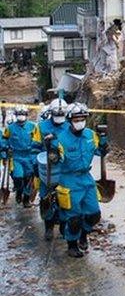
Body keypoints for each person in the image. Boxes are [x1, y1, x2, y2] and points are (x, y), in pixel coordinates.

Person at [46, 103, 109, 258]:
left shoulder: (90, 135)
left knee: (94, 214)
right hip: (69, 179)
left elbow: (100, 152)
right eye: (76, 118)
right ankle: (72, 244)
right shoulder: (60, 138)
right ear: (69, 119)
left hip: (86, 178)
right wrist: (52, 150)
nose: (80, 121)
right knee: (73, 217)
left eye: (82, 118)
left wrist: (103, 142)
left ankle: (83, 234)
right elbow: (55, 160)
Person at [34, 98, 70, 240]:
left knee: (64, 198)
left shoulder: (69, 127)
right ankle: (48, 226)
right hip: (46, 168)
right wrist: (35, 166)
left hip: (63, 169)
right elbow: (34, 147)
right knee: (46, 197)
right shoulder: (41, 127)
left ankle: (62, 225)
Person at [1, 106, 39, 207]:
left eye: (23, 114)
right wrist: (5, 149)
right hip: (16, 156)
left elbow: (37, 140)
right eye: (19, 114)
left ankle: (26, 199)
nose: (21, 117)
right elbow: (4, 139)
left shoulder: (33, 127)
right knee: (18, 176)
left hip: (29, 155)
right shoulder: (10, 128)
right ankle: (19, 190)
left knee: (28, 178)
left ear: (26, 115)